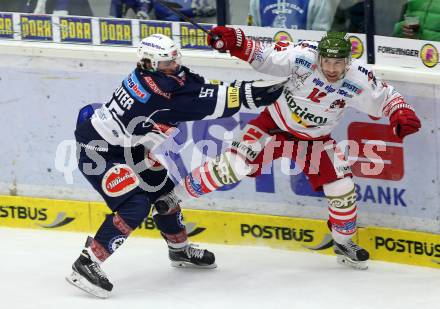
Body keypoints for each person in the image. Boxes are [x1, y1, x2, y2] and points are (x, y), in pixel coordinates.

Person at [155, 28, 422, 270]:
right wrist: (236, 42)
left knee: (342, 190)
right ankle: (175, 197)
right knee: (233, 166)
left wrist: (400, 112)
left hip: (315, 141)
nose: (331, 68)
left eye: (338, 63)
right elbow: (266, 55)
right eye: (326, 62)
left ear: (347, 62)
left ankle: (343, 242)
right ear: (318, 58)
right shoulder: (304, 56)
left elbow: (387, 96)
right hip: (272, 127)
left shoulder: (359, 78)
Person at [66, 33, 283, 298]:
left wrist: (235, 69)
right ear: (148, 64)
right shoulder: (158, 96)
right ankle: (87, 262)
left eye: (175, 60)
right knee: (135, 205)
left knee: (164, 194)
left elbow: (197, 87)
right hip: (98, 150)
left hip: (128, 147)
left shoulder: (163, 78)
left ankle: (179, 249)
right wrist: (257, 93)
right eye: (166, 64)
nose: (174, 67)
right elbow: (214, 103)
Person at [247, 0, 339, 30]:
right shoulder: (256, 1)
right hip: (265, 59)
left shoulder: (318, 2)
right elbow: (251, 28)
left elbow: (320, 35)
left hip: (304, 60)